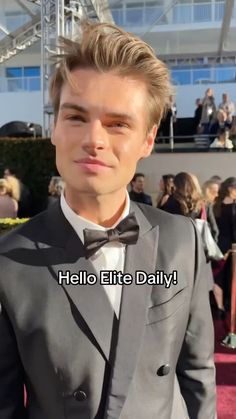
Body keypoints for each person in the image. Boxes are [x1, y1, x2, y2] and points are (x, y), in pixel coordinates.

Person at [0, 20, 216, 419]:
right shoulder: (8, 263)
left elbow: (198, 374)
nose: (94, 139)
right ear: (54, 127)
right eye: (76, 117)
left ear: (148, 140)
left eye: (118, 124)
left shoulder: (181, 239)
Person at [213, 177, 236, 317]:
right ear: (230, 189)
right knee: (230, 277)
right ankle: (229, 306)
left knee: (218, 276)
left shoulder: (216, 204)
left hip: (218, 245)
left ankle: (219, 308)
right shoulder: (233, 206)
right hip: (232, 245)